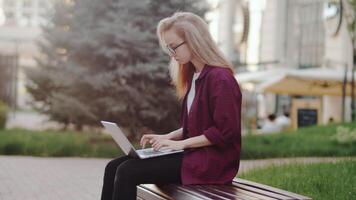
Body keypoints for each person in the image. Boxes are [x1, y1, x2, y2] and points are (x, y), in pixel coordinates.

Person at [100, 12, 242, 200]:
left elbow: (225, 132)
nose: (172, 55)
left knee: (128, 171)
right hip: (194, 155)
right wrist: (167, 137)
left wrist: (179, 144)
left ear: (194, 40)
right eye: (169, 49)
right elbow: (197, 127)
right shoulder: (195, 76)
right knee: (113, 167)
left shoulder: (220, 78)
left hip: (212, 163)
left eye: (174, 47)